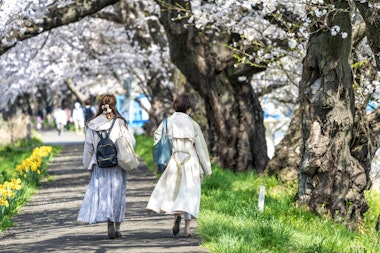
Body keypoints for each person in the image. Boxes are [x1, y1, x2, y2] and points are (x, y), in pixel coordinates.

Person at [146, 94, 212, 237]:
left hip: (174, 159)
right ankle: (187, 229)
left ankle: (176, 216)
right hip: (191, 160)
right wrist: (207, 168)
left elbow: (157, 138)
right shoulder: (194, 124)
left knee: (175, 189)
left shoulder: (167, 122)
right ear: (188, 108)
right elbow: (200, 149)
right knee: (189, 192)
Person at [77, 94, 136, 239]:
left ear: (100, 105)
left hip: (100, 164)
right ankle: (116, 227)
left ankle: (107, 218)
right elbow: (131, 142)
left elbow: (88, 147)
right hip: (117, 163)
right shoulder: (120, 123)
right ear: (114, 105)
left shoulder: (92, 124)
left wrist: (88, 165)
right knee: (118, 194)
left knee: (103, 193)